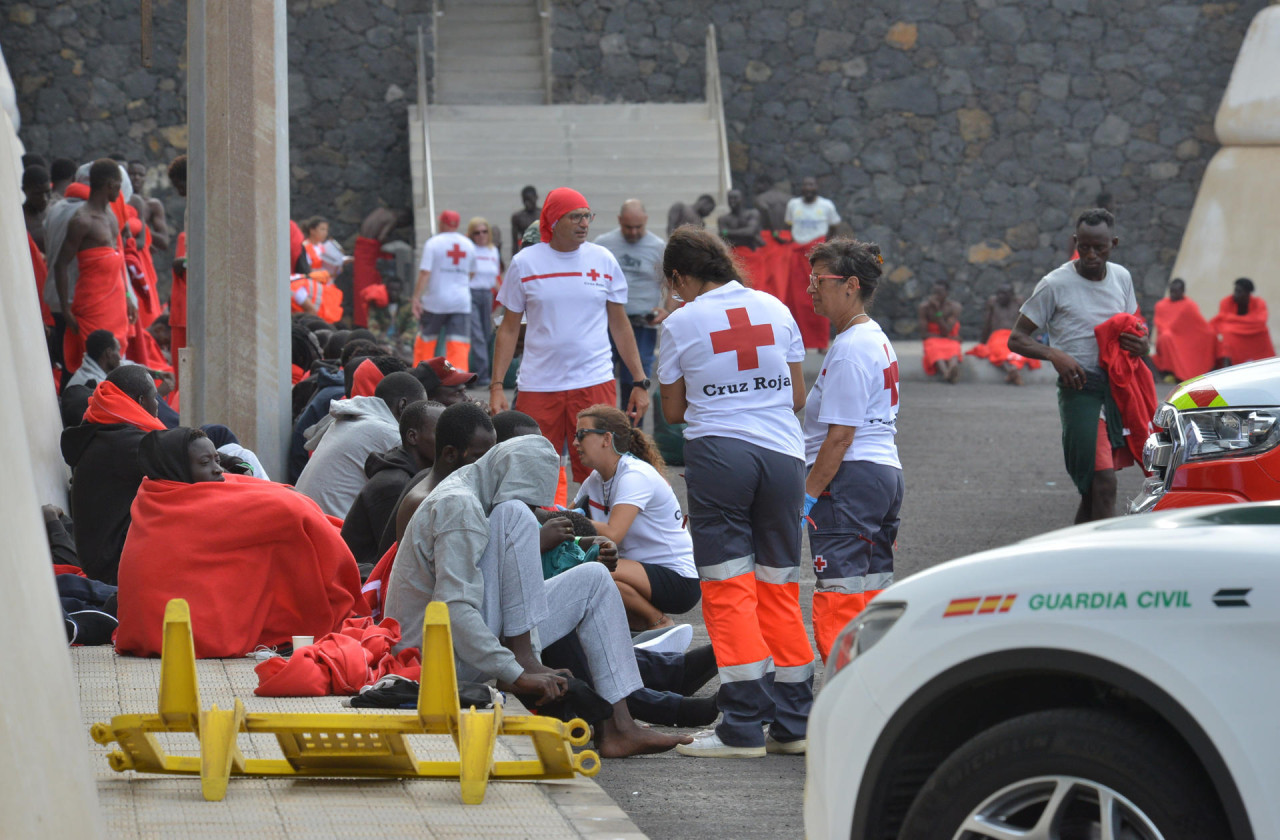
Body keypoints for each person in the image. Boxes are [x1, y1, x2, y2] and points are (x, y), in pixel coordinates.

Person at [383, 434, 690, 757]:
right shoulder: (459, 506)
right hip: (433, 659)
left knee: (595, 579)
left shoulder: (480, 487)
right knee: (515, 514)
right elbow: (456, 610)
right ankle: (521, 656)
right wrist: (516, 673)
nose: (532, 515)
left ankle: (620, 726)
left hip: (465, 646)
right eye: (531, 502)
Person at [657, 227, 814, 758]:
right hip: (785, 457)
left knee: (728, 588)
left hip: (721, 455)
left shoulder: (680, 322)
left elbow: (674, 414)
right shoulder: (776, 308)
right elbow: (795, 394)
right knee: (778, 585)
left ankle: (741, 726)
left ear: (679, 277)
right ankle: (794, 723)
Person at [115, 427, 366, 658]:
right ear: (177, 468)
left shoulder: (154, 495)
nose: (218, 470)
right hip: (184, 633)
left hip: (143, 629)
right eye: (205, 463)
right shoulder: (186, 503)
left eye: (217, 459)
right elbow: (292, 511)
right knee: (287, 535)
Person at [490, 187, 651, 483]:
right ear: (552, 221)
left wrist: (640, 381)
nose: (584, 223)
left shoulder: (603, 259)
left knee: (600, 473)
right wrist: (497, 387)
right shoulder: (525, 263)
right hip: (538, 385)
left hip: (593, 382)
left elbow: (620, 325)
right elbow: (509, 328)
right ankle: (539, 529)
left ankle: (597, 529)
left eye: (587, 216)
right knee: (532, 472)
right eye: (575, 217)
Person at [1009, 208, 1148, 523]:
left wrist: (1143, 345)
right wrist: (1055, 354)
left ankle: (1077, 558)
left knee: (1093, 489)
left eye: (1099, 247)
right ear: (1075, 241)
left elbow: (1135, 327)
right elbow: (1017, 339)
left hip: (1116, 391)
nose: (1091, 254)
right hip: (1079, 392)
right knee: (1104, 482)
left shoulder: (1122, 277)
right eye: (1084, 246)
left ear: (1113, 243)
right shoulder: (1055, 284)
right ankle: (1103, 563)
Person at [801, 239, 903, 662]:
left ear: (850, 285)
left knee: (839, 596)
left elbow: (840, 437)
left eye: (818, 280)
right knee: (873, 594)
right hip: (882, 475)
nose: (810, 289)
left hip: (850, 480)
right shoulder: (873, 338)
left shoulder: (848, 349)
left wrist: (805, 496)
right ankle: (881, 683)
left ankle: (847, 695)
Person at [572, 405, 700, 631]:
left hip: (677, 578)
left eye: (581, 435)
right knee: (581, 571)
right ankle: (638, 628)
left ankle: (659, 624)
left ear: (606, 439)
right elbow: (567, 517)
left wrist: (571, 522)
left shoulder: (634, 475)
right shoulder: (594, 479)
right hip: (636, 573)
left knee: (591, 572)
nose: (575, 443)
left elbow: (613, 533)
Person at [59, 365, 164, 584]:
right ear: (141, 400)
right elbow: (182, 461)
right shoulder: (125, 444)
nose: (158, 405)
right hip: (113, 566)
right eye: (156, 398)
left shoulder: (106, 433)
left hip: (103, 557)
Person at [295, 371, 427, 518]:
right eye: (420, 411)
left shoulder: (352, 419)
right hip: (329, 527)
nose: (423, 419)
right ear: (403, 405)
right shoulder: (388, 433)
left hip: (306, 516)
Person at [53, 159, 136, 373]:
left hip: (116, 303)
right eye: (118, 184)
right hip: (92, 304)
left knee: (117, 359)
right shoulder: (82, 220)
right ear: (109, 184)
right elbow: (60, 264)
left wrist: (128, 298)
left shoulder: (111, 216)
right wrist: (65, 309)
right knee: (94, 363)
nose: (120, 190)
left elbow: (118, 261)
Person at [341, 400, 443, 570]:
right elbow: (392, 560)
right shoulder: (394, 486)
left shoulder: (404, 473)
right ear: (413, 437)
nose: (448, 441)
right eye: (440, 433)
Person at [594, 199, 667, 423]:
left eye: (638, 227)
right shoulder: (603, 244)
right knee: (600, 379)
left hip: (641, 326)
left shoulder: (658, 247)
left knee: (635, 383)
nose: (633, 232)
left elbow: (675, 282)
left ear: (646, 221)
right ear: (619, 221)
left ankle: (633, 437)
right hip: (608, 324)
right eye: (628, 227)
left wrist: (668, 309)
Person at [413, 210, 475, 370]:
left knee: (427, 342)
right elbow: (472, 273)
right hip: (461, 302)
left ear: (442, 223)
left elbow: (425, 272)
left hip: (435, 301)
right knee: (458, 343)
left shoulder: (433, 243)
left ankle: (422, 376)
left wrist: (416, 298)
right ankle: (458, 381)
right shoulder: (468, 245)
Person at [784, 177, 841, 351]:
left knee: (820, 296)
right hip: (797, 257)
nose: (808, 188)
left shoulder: (827, 206)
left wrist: (825, 246)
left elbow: (834, 227)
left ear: (817, 187)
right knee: (797, 300)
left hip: (817, 256)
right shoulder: (793, 205)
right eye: (805, 184)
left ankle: (820, 343)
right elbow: (788, 227)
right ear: (801, 188)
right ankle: (797, 342)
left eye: (812, 184)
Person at [66, 328, 174, 395]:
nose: (120, 356)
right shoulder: (90, 383)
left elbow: (131, 367)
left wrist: (158, 374)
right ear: (108, 353)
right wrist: (158, 394)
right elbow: (121, 414)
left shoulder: (105, 366)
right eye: (118, 350)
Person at [969, 285, 1040, 385]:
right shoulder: (993, 303)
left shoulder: (1018, 303)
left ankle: (1012, 370)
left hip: (1014, 334)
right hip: (997, 336)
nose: (1000, 296)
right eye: (999, 294)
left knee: (1022, 350)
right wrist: (983, 342)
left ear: (1011, 296)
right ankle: (1012, 371)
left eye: (1004, 294)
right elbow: (987, 323)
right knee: (998, 351)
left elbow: (1026, 322)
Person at [1150, 278, 1216, 381]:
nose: (1173, 294)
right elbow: (1161, 325)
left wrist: (1210, 333)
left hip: (1186, 340)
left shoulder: (1189, 305)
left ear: (1182, 291)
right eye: (1171, 291)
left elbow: (1199, 325)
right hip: (1168, 338)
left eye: (1175, 291)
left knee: (1210, 335)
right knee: (1165, 336)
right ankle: (1169, 371)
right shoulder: (1161, 305)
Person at [353, 207, 404, 328]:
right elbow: (382, 237)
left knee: (360, 288)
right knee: (370, 287)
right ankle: (368, 322)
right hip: (371, 252)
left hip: (361, 248)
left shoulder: (380, 211)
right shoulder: (392, 218)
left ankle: (361, 321)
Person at [466, 217, 502, 386]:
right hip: (471, 293)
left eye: (484, 231)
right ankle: (483, 375)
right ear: (471, 235)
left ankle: (483, 371)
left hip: (487, 294)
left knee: (487, 333)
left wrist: (504, 295)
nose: (481, 235)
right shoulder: (469, 249)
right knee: (478, 335)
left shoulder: (492, 250)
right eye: (477, 232)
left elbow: (495, 276)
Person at [1211, 277, 1274, 366]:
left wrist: (1232, 320)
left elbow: (1260, 321)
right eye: (1235, 291)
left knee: (1264, 331)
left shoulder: (1259, 302)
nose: (1235, 294)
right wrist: (1246, 322)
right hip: (1235, 335)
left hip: (1256, 333)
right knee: (1226, 334)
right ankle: (1227, 366)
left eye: (1239, 292)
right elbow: (1223, 320)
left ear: (1248, 293)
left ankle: (1266, 365)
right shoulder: (1226, 301)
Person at [167, 155, 189, 374]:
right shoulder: (191, 207)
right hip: (182, 295)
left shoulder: (201, 206)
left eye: (179, 184)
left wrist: (184, 262)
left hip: (189, 296)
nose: (177, 190)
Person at [919, 280, 963, 383]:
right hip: (933, 339)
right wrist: (936, 309)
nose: (936, 296)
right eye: (934, 293)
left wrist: (938, 313)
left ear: (947, 293)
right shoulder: (924, 308)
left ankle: (953, 368)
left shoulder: (954, 307)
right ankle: (946, 373)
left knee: (954, 347)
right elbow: (924, 334)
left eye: (939, 293)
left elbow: (946, 331)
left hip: (948, 338)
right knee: (934, 347)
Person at [23, 165, 51, 253]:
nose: (44, 199)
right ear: (24, 190)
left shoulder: (51, 212)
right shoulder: (20, 220)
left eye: (47, 192)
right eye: (37, 194)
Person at [511, 185, 539, 257]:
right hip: (526, 253)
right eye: (525, 200)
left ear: (536, 198)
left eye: (529, 200)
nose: (527, 203)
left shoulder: (544, 215)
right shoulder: (518, 217)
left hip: (541, 251)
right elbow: (515, 242)